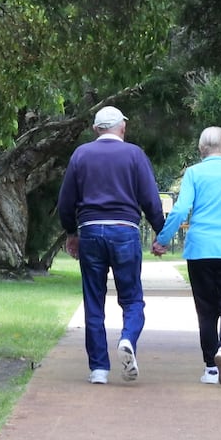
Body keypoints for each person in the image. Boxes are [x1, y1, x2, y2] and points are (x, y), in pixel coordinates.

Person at [58, 105, 166, 385]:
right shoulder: (134, 154)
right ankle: (127, 338)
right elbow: (150, 199)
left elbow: (66, 201)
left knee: (93, 300)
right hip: (124, 230)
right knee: (132, 299)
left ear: (96, 129)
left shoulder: (81, 155)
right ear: (123, 127)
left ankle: (98, 369)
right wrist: (160, 233)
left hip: (91, 231)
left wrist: (71, 232)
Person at [152, 126, 221, 388]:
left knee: (206, 310)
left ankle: (211, 368)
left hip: (201, 250)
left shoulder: (194, 173)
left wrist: (162, 240)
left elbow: (181, 210)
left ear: (201, 149)